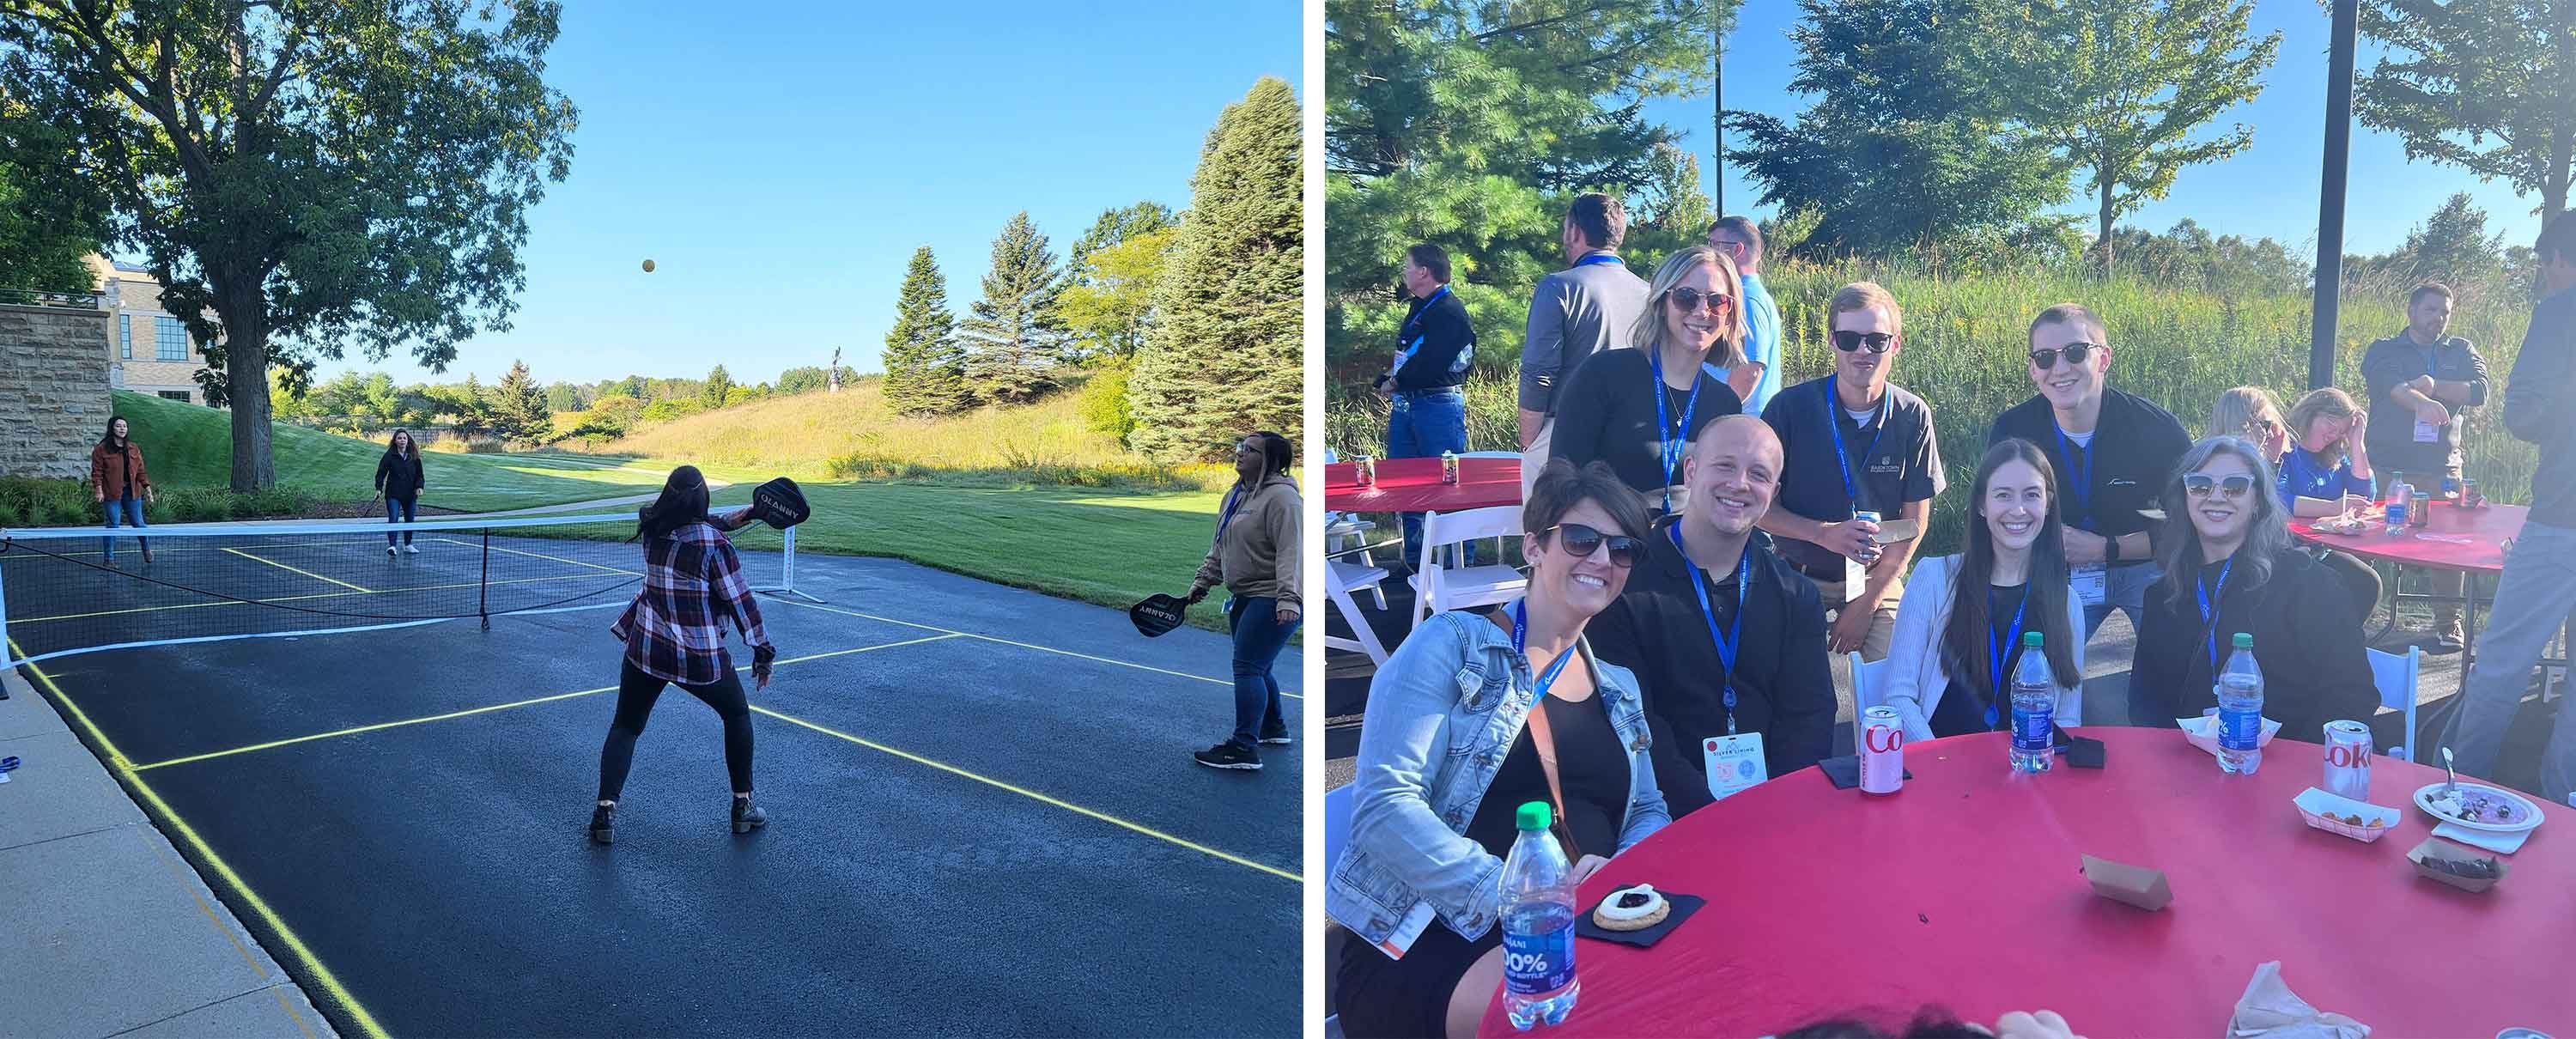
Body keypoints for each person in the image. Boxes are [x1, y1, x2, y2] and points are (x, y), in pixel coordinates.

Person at [1328, 460, 1669, 1039]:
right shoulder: (1450, 645)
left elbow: (1644, 810)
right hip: (1435, 935)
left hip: (1586, 924)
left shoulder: (1619, 686)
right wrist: (1533, 895)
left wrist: (1623, 881)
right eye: (1582, 539)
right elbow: (1385, 808)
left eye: (1623, 549)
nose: (1602, 560)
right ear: (1534, 546)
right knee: (1592, 1022)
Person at [1589, 415, 1834, 814]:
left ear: (1773, 492)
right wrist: (1711, 815)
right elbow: (1637, 723)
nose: (1739, 484)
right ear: (1691, 470)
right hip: (1661, 814)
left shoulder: (1795, 594)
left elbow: (1809, 718)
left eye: (1758, 474)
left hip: (1773, 811)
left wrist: (1777, 805)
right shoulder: (1625, 580)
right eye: (1724, 465)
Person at [2131, 437, 2379, 744]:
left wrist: (2286, 766)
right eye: (2200, 485)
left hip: (2290, 768)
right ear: (2185, 498)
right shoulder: (2164, 594)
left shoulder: (2309, 584)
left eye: (2235, 486)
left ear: (2258, 500)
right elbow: (2144, 705)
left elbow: (2353, 697)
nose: (2216, 497)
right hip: (2187, 769)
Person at [2449, 212, 2576, 802]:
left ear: (2555, 259)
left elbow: (2521, 412)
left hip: (2562, 517)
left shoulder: (2558, 310)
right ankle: (2564, 808)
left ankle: (2452, 787)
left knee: (2503, 664)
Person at [1987, 304, 2192, 665]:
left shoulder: (2157, 430)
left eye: (2076, 352)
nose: (2061, 368)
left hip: (2145, 568)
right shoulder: (2013, 430)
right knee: (2030, 674)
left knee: (2178, 667)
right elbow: (1994, 514)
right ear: (2032, 368)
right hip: (2055, 570)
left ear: (2104, 358)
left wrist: (2105, 548)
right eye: (2046, 357)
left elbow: (2187, 525)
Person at [1759, 281, 1945, 660]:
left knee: (1900, 677)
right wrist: (1824, 534)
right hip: (1797, 571)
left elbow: (1915, 523)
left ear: (1896, 344)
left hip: (1876, 576)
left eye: (1876, 340)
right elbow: (1759, 509)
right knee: (1781, 681)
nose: (1863, 351)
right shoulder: (1789, 409)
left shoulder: (1912, 415)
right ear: (1831, 341)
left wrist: (1867, 601)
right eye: (1849, 339)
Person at [591, 465, 776, 844]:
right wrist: (763, 652)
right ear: (702, 498)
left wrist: (748, 514)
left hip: (647, 647)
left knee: (626, 727)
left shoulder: (652, 528)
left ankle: (604, 814)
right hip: (699, 655)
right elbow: (741, 603)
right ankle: (742, 807)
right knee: (737, 714)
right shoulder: (714, 545)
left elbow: (697, 524)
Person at [1877, 439, 2085, 742]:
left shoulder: (2067, 603)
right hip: (1939, 774)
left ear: (2048, 503)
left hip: (2025, 776)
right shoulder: (1934, 578)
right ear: (1981, 506)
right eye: (2003, 495)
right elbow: (1898, 697)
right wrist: (1940, 762)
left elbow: (2067, 719)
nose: (2019, 510)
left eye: (2032, 495)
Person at [1549, 246, 1747, 512]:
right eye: (1686, 297)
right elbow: (1561, 482)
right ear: (1662, 304)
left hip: (1684, 548)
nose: (1702, 311)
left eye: (1717, 301)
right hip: (1610, 547)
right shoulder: (1603, 375)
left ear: (1730, 314)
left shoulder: (1726, 404)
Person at [2361, 282, 2491, 652]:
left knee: (2449, 548)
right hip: (2387, 468)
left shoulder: (2460, 350)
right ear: (2412, 311)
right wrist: (2419, 401)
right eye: (2432, 310)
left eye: (2445, 312)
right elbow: (2390, 386)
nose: (2439, 319)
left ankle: (2448, 624)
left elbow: (2480, 389)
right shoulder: (2385, 349)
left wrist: (2433, 386)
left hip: (2442, 469)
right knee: (2361, 538)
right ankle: (2348, 613)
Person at [1518, 193, 1652, 501]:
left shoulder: (1559, 286)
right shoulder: (1648, 293)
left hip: (1563, 432)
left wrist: (1531, 440)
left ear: (1575, 232)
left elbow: (1538, 373)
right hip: (1630, 432)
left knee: (1549, 536)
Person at [1188, 431, 1303, 772]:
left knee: (1248, 668)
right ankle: (1273, 728)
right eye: (1239, 447)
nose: (1239, 454)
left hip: (1272, 596)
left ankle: (1243, 748)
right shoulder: (1235, 494)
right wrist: (1203, 581)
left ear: (1269, 461)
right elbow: (1220, 545)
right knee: (1258, 666)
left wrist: (1289, 599)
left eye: (1249, 450)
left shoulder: (1283, 499)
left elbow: (1292, 552)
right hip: (1245, 594)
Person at [2224, 388, 2384, 622]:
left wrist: (2357, 442)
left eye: (2340, 430)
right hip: (2283, 546)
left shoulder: (2333, 456)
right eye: (2330, 422)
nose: (2333, 433)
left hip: (2319, 548)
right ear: (2311, 413)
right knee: (2326, 586)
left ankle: (2339, 642)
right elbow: (2278, 500)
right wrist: (2331, 508)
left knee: (2366, 583)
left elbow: (2363, 496)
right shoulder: (2283, 448)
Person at [1382, 243, 1476, 572]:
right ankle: (1416, 564)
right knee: (1407, 483)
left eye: (1408, 266)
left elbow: (1435, 361)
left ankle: (1457, 565)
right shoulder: (1419, 307)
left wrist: (1396, 382)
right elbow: (1409, 353)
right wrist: (1390, 378)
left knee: (1447, 484)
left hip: (1437, 405)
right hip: (1407, 404)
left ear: (1424, 271)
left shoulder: (1448, 310)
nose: (1404, 272)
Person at [1709, 216, 1782, 415]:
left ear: (1737, 249)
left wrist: (1715, 415)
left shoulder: (1747, 299)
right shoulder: (1749, 295)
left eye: (1714, 244)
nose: (1709, 252)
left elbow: (1750, 369)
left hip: (1737, 428)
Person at [88, 416, 154, 566]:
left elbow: (141, 471)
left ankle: (146, 549)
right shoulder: (101, 449)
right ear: (112, 428)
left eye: (124, 426)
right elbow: (97, 472)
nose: (122, 428)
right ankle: (109, 560)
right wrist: (99, 490)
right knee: (113, 525)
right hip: (111, 493)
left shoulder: (133, 448)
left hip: (132, 492)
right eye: (118, 426)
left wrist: (148, 488)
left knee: (139, 524)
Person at [376, 428, 427, 556]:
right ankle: (392, 546)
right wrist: (378, 488)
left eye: (404, 438)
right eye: (399, 438)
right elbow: (381, 473)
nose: (402, 440)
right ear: (395, 441)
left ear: (408, 440)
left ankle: (408, 544)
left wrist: (419, 486)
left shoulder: (413, 456)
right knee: (393, 518)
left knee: (410, 519)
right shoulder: (389, 456)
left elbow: (420, 475)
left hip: (410, 494)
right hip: (393, 493)